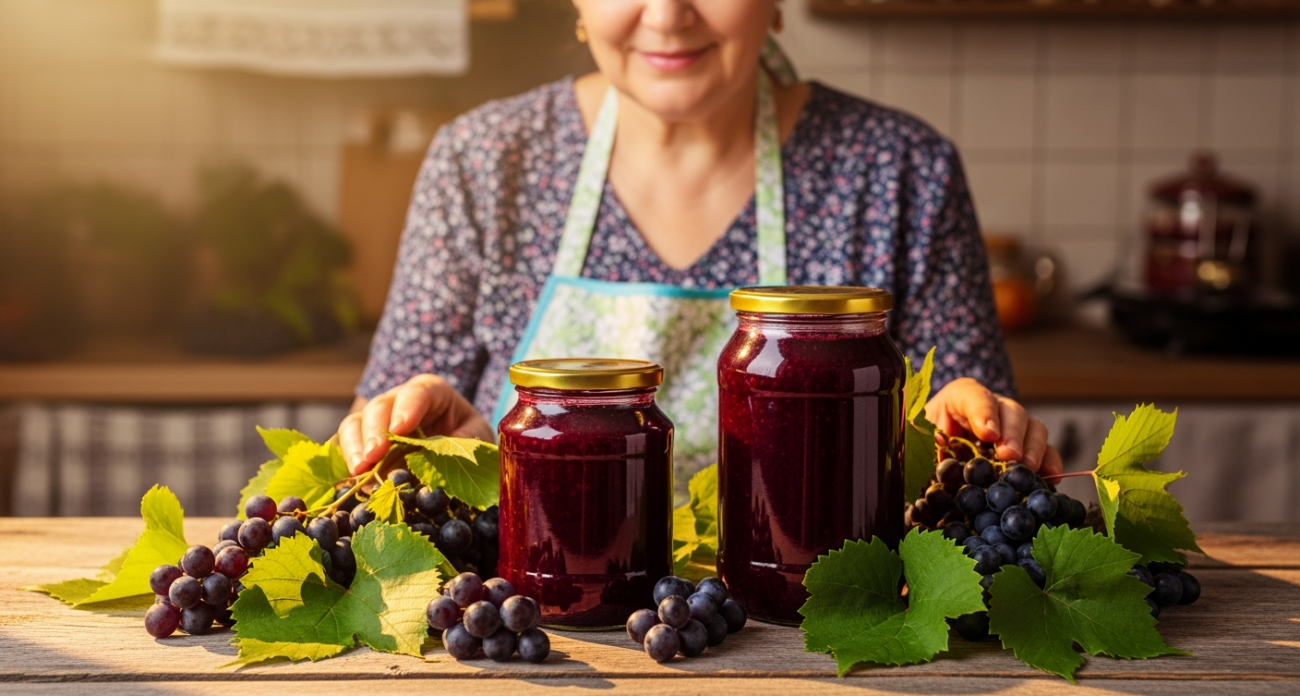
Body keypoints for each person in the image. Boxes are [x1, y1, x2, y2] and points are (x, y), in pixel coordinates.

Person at [337, 0, 1064, 480]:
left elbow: (970, 462)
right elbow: (384, 462)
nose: (667, 13)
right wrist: (441, 452)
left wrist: (972, 435)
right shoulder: (481, 162)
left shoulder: (902, 171)